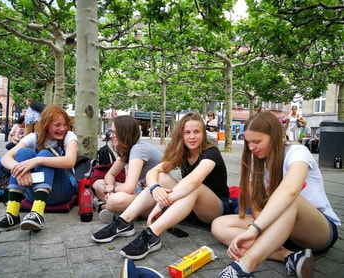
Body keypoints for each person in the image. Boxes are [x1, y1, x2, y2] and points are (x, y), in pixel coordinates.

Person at [212, 111, 340, 278]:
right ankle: (289, 255)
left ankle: (244, 267)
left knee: (289, 200)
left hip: (316, 229)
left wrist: (254, 231)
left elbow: (290, 191)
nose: (251, 148)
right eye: (248, 142)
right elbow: (257, 209)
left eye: (256, 142)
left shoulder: (297, 153)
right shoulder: (255, 163)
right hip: (279, 227)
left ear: (274, 136)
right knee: (219, 225)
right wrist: (257, 228)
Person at [91, 112, 230, 260]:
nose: (192, 137)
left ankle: (153, 234)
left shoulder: (211, 153)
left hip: (215, 208)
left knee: (194, 187)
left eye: (197, 132)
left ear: (204, 134)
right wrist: (155, 189)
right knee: (162, 177)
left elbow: (193, 181)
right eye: (187, 132)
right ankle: (124, 221)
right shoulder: (182, 153)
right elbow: (154, 171)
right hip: (188, 205)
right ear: (181, 135)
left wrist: (161, 204)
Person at [0, 105, 78, 233]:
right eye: (57, 125)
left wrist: (37, 160)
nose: (62, 128)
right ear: (46, 125)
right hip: (31, 190)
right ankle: (12, 214)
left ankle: (37, 213)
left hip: (61, 191)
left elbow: (70, 161)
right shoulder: (34, 137)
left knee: (44, 155)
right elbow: (5, 158)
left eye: (64, 124)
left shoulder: (69, 136)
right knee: (24, 153)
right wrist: (20, 170)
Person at [93, 115, 163, 223]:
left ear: (124, 133)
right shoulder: (128, 148)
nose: (111, 136)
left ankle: (116, 209)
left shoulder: (138, 149)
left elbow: (129, 187)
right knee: (98, 184)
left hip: (153, 196)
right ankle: (127, 212)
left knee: (114, 200)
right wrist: (109, 190)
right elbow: (110, 175)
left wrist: (112, 189)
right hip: (138, 191)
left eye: (114, 132)